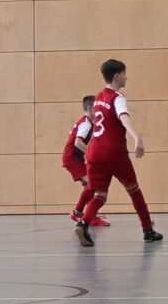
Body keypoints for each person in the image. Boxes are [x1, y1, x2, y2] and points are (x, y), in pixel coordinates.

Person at [73, 58, 162, 245]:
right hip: (113, 151)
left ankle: (83, 223)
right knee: (134, 189)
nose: (126, 77)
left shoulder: (99, 97)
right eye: (124, 74)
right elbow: (123, 117)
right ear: (116, 76)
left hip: (94, 151)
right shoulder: (117, 98)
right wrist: (137, 137)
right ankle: (148, 230)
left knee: (100, 194)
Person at [60, 94, 108, 227]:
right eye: (98, 108)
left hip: (75, 158)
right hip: (72, 158)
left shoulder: (89, 123)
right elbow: (78, 142)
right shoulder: (86, 124)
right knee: (93, 184)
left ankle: (90, 216)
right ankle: (78, 212)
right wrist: (91, 154)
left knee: (91, 186)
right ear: (91, 109)